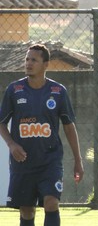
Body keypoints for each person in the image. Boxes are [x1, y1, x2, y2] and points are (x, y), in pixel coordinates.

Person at [0, 44, 84, 226]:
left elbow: (69, 127)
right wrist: (12, 144)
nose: (28, 63)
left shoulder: (58, 91)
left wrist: (78, 160)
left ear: (46, 65)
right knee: (27, 210)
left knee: (51, 202)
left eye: (34, 60)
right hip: (23, 162)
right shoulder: (14, 90)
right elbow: (1, 122)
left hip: (50, 161)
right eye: (27, 59)